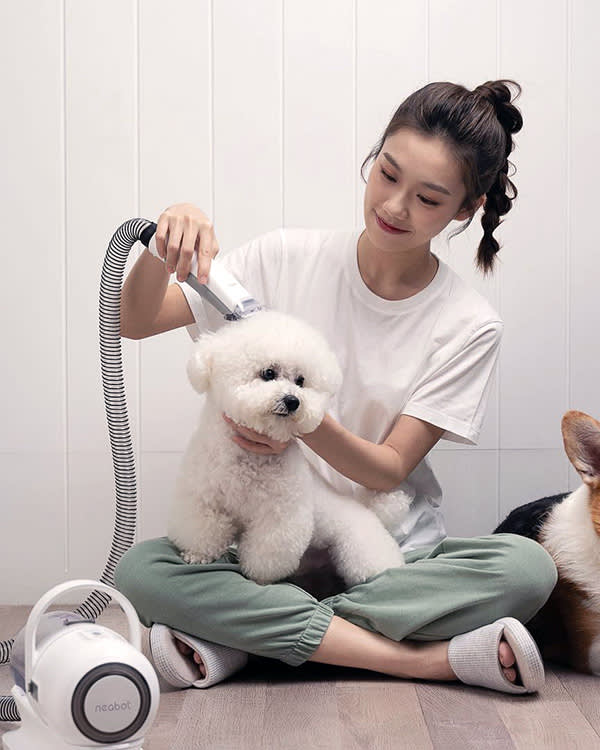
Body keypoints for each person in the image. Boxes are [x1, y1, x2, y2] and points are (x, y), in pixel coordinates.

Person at [115, 80, 557, 694]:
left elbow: (386, 470)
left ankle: (246, 641)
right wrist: (161, 247)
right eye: (387, 173)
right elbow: (135, 321)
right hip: (260, 549)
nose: (395, 206)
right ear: (373, 158)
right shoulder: (284, 256)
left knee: (528, 568)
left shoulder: (468, 324)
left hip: (385, 557)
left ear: (464, 209)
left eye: (428, 198)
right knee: (142, 572)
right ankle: (416, 658)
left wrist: (297, 415)